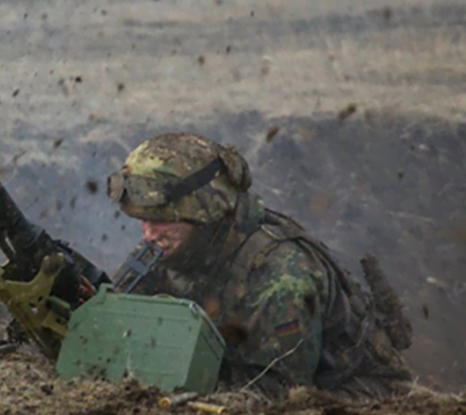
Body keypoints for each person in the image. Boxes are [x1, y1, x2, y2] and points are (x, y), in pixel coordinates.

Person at [107, 131, 413, 398]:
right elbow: (116, 323)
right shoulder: (176, 245)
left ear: (206, 214)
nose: (147, 234)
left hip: (352, 397)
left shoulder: (281, 278)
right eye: (142, 220)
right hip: (239, 376)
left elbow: (278, 398)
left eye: (161, 220)